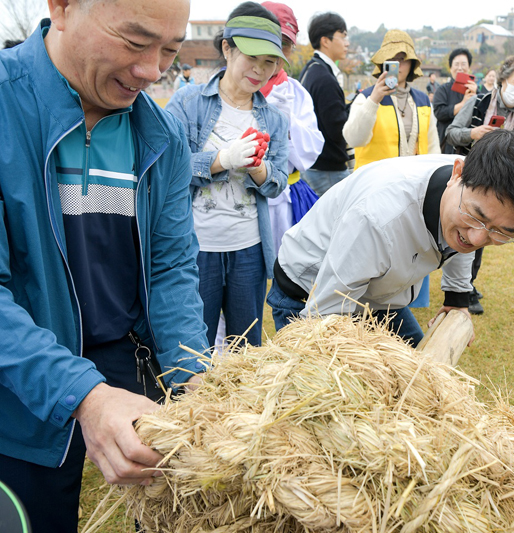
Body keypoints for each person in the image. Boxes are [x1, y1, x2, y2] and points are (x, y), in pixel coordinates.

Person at [0, 0, 209, 531]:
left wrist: (198, 386)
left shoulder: (161, 137)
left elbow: (170, 270)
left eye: (169, 50)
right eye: (135, 42)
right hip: (16, 386)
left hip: (125, 360)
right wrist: (84, 397)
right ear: (63, 7)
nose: (152, 71)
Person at [267, 130, 514, 347]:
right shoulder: (378, 217)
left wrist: (457, 299)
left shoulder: (469, 198)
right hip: (309, 291)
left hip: (377, 293)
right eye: (475, 217)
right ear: (457, 174)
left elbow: (467, 240)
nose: (478, 237)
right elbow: (323, 322)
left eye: (501, 232)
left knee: (420, 374)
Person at [166, 3, 289, 348]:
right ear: (226, 48)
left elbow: (278, 180)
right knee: (192, 346)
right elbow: (166, 168)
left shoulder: (274, 119)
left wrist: (259, 169)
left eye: (270, 62)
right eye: (252, 58)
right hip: (195, 246)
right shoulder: (188, 103)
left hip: (248, 246)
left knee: (245, 348)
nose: (260, 71)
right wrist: (221, 159)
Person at [444, 56, 514, 316]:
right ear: (504, 79)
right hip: (464, 176)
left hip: (494, 186)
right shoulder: (478, 102)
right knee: (458, 228)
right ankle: (454, 287)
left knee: (481, 235)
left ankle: (467, 286)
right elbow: (450, 132)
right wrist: (473, 134)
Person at [259, 1, 324, 254]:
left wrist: (287, 124)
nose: (276, 51)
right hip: (235, 201)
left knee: (285, 269)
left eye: (284, 44)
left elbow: (312, 149)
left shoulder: (295, 93)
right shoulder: (229, 88)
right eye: (271, 39)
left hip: (284, 197)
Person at [343, 30, 440, 169]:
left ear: (411, 63)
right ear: (383, 63)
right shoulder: (366, 98)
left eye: (401, 58)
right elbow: (353, 139)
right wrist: (373, 101)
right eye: (391, 59)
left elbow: (433, 147)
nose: (397, 64)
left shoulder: (423, 101)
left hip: (413, 183)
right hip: (374, 184)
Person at [299, 12, 350, 195]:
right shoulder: (324, 78)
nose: (347, 43)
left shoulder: (311, 69)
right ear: (325, 41)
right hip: (327, 171)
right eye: (342, 36)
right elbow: (338, 129)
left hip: (313, 165)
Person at [433, 48, 477, 154]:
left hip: (469, 147)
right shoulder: (442, 89)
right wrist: (463, 104)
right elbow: (439, 113)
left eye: (463, 64)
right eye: (456, 64)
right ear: (450, 67)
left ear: (469, 67)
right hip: (446, 144)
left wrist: (476, 97)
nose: (460, 68)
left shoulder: (476, 92)